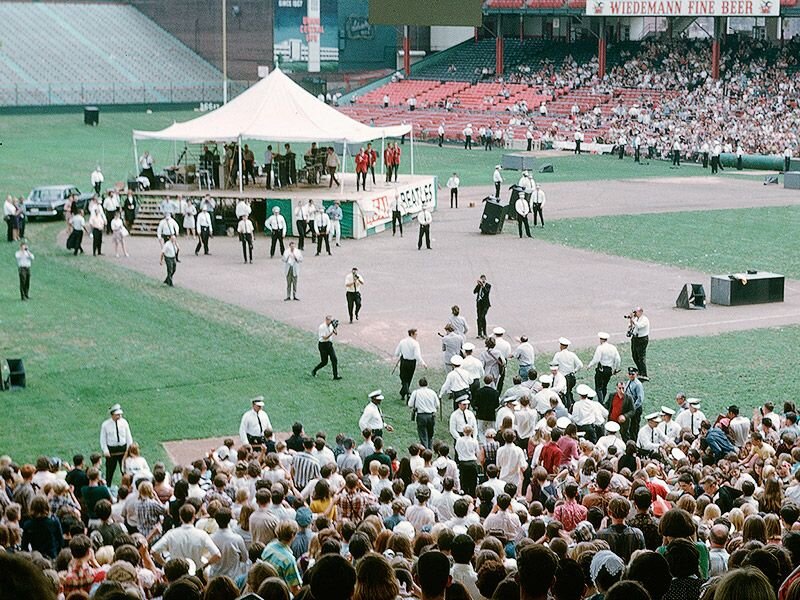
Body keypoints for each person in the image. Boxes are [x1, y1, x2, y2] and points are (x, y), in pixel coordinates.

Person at [100, 403, 133, 484]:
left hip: (123, 449)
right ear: (112, 415)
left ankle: (127, 486)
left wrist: (129, 449)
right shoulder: (105, 425)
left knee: (125, 470)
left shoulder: (124, 422)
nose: (119, 416)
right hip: (112, 450)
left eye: (120, 414)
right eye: (117, 415)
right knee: (110, 471)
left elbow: (128, 436)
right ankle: (108, 486)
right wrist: (105, 450)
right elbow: (103, 439)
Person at [587, 331, 620, 404]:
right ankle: (603, 400)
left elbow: (596, 359)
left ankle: (601, 402)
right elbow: (617, 359)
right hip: (609, 369)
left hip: (601, 369)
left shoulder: (600, 348)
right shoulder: (613, 348)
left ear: (601, 339)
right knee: (604, 386)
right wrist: (616, 369)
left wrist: (590, 365)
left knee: (598, 387)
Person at [394, 329, 427, 402]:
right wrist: (423, 363)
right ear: (412, 334)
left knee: (403, 378)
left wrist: (401, 354)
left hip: (404, 362)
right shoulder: (415, 343)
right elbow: (417, 356)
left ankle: (404, 392)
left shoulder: (402, 342)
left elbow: (396, 353)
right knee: (408, 378)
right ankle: (405, 393)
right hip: (412, 363)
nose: (416, 336)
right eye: (416, 334)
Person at [408, 378, 439, 449]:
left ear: (419, 384)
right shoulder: (432, 392)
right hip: (431, 416)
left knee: (423, 436)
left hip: (421, 416)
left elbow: (410, 404)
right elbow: (437, 405)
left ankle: (425, 451)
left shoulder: (416, 393)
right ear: (427, 384)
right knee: (430, 435)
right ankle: (429, 450)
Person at [552, 337, 582, 408]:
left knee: (566, 394)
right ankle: (572, 404)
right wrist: (574, 371)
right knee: (569, 392)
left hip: (563, 377)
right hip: (571, 377)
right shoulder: (572, 354)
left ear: (561, 346)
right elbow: (580, 365)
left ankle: (569, 407)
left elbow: (554, 365)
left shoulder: (558, 355)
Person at [311, 315, 341, 380]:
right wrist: (331, 333)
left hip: (329, 344)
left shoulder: (331, 325)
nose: (332, 322)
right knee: (324, 362)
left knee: (334, 359)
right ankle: (314, 370)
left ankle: (335, 376)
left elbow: (336, 333)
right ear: (327, 320)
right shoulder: (322, 327)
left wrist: (335, 328)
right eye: (330, 320)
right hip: (323, 345)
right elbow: (324, 337)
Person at [628, 307, 650, 380]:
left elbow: (639, 326)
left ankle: (644, 373)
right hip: (635, 338)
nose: (635, 313)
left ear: (640, 312)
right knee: (634, 355)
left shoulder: (644, 320)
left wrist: (632, 319)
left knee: (641, 357)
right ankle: (640, 370)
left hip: (642, 339)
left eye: (636, 312)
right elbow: (631, 326)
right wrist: (631, 321)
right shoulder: (636, 319)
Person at [473, 275, 492, 339]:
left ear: (485, 279)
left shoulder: (488, 285)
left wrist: (483, 286)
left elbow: (487, 292)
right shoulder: (479, 286)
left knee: (482, 317)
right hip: (479, 303)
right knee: (479, 318)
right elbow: (474, 292)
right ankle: (479, 333)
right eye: (481, 279)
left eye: (483, 279)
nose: (482, 280)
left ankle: (484, 332)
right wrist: (478, 285)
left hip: (485, 304)